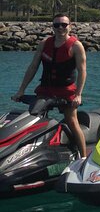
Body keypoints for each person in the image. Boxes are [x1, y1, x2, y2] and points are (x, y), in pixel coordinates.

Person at [12, 13, 88, 158]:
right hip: (46, 89)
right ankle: (28, 155)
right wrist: (20, 91)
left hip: (66, 91)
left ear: (69, 26)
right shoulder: (44, 44)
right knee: (34, 117)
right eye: (56, 25)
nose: (60, 28)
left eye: (64, 25)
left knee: (72, 121)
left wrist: (78, 94)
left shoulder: (76, 46)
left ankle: (83, 158)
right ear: (52, 27)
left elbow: (82, 71)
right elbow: (33, 67)